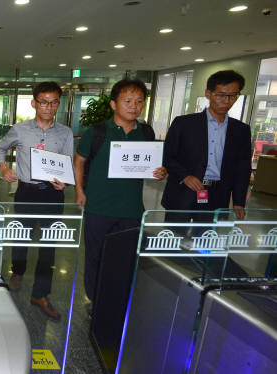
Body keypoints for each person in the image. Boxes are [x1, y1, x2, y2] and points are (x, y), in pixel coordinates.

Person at [73, 78, 166, 305]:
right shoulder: (97, 132)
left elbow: (149, 163)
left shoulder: (145, 132)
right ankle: (95, 301)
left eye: (139, 101)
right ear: (114, 104)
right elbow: (79, 162)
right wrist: (79, 190)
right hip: (98, 206)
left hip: (132, 209)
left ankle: (119, 301)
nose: (134, 106)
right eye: (127, 101)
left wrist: (160, 171)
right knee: (95, 256)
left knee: (125, 258)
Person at [0, 81, 73, 319]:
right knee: (21, 237)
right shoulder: (20, 130)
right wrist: (3, 167)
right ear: (34, 103)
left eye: (53, 102)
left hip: (53, 195)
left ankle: (40, 293)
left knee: (49, 247)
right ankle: (17, 272)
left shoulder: (65, 133)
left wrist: (66, 182)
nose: (48, 107)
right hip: (26, 192)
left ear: (58, 104)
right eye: (43, 102)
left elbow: (68, 163)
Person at [162, 70, 251, 222]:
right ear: (208, 94)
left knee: (205, 240)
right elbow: (167, 156)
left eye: (233, 95)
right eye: (221, 95)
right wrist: (185, 176)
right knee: (174, 240)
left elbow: (242, 168)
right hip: (183, 191)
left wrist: (238, 202)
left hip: (217, 195)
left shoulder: (241, 130)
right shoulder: (184, 123)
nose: (227, 101)